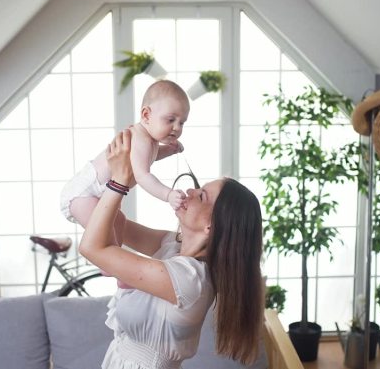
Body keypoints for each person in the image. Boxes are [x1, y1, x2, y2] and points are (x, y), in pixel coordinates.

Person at [79, 129, 264, 368]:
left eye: (202, 196)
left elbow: (92, 248)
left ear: (211, 225)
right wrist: (140, 164)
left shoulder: (190, 279)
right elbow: (116, 225)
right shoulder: (171, 247)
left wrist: (119, 182)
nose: (190, 191)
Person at [60, 80, 190, 288]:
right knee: (106, 241)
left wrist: (170, 150)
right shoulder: (140, 138)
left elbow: (151, 157)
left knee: (119, 221)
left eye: (182, 122)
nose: (176, 128)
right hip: (83, 194)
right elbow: (143, 175)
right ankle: (113, 268)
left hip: (97, 195)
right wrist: (167, 195)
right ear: (146, 115)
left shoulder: (150, 141)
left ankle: (116, 268)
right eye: (170, 120)